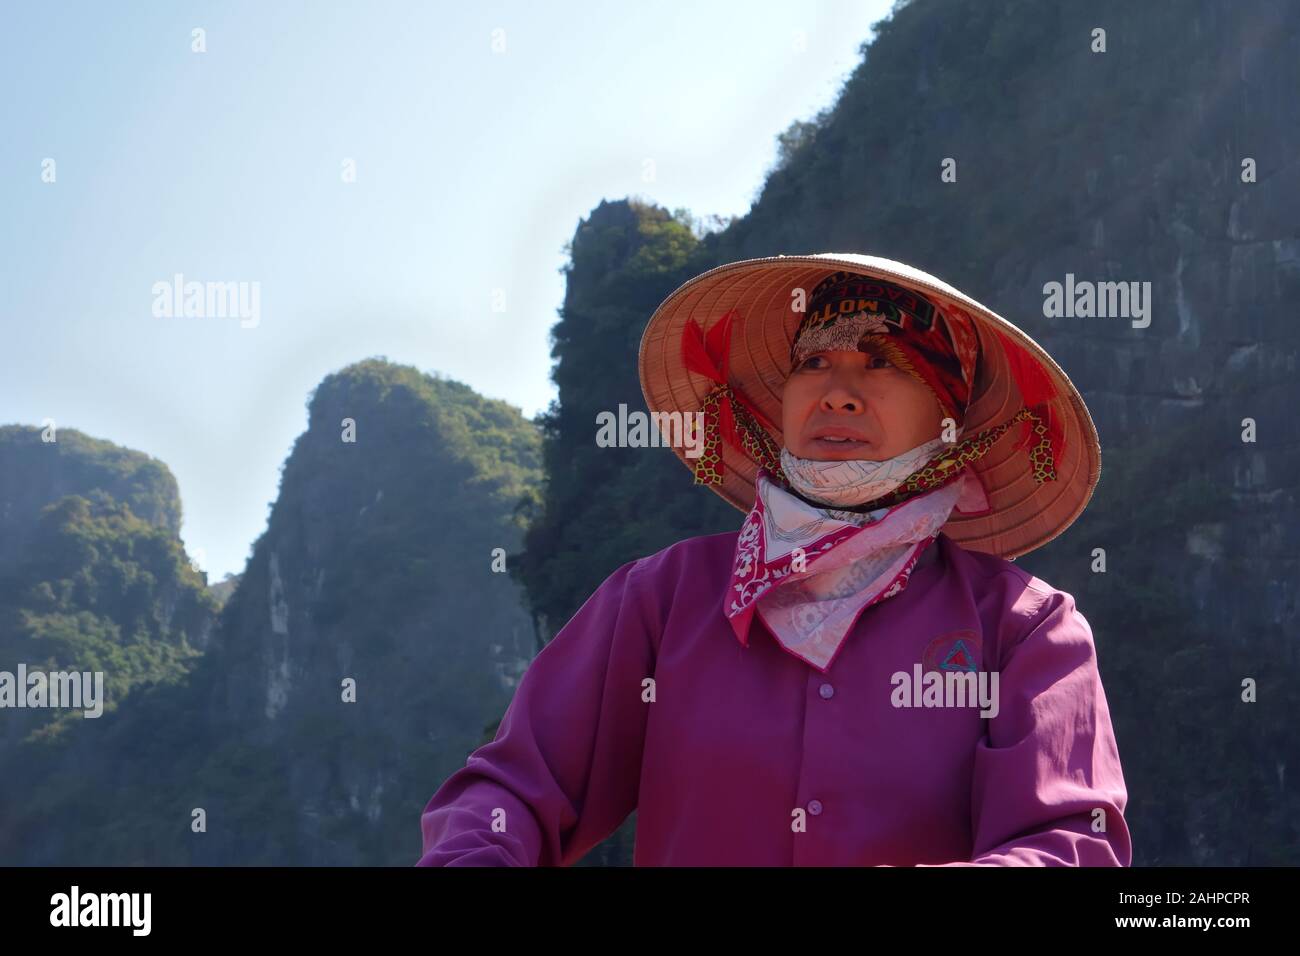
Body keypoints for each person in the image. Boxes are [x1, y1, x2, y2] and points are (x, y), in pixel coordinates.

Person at [416, 253, 1131, 867]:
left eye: (883, 364)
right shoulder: (663, 600)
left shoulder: (1023, 630)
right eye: (814, 361)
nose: (838, 392)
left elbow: (1070, 841)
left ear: (948, 420)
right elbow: (512, 790)